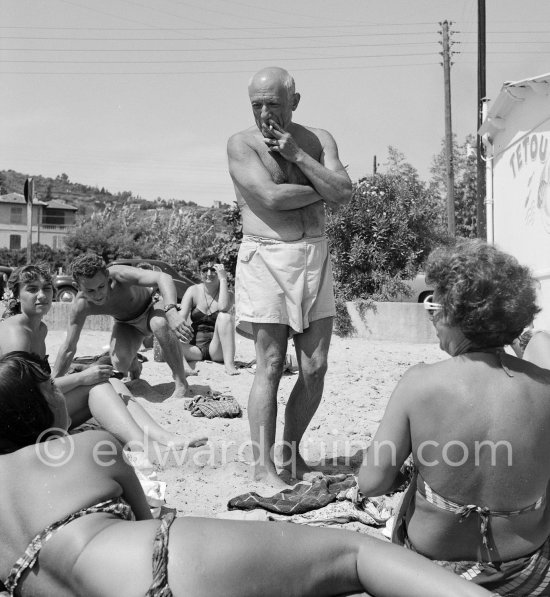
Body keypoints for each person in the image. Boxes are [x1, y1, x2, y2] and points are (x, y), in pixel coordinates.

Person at [0, 354, 494, 597]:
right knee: (357, 554)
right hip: (147, 564)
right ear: (42, 404)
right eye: (52, 388)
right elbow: (145, 518)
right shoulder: (86, 445)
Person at [358, 239, 550, 595]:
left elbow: (371, 483)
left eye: (437, 304)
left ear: (459, 314)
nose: (432, 317)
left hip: (432, 574)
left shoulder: (419, 383)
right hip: (526, 572)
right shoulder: (544, 385)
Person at [227, 66, 352, 488]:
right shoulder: (240, 144)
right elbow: (272, 198)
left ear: (294, 102)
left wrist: (299, 156)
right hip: (266, 258)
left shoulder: (318, 140)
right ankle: (263, 468)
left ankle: (292, 455)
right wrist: (330, 187)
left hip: (315, 254)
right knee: (271, 365)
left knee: (315, 366)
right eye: (257, 105)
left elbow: (346, 193)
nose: (265, 113)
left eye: (274, 104)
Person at [0, 264, 205, 452]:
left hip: (35, 413)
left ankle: (163, 437)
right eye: (32, 289)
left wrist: (75, 377)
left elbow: (44, 384)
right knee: (96, 384)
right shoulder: (16, 333)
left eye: (46, 288)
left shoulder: (40, 328)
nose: (42, 295)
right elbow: (25, 395)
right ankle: (143, 445)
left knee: (112, 382)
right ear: (16, 295)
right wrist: (81, 378)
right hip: (19, 429)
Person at [52, 253, 194, 400]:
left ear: (107, 276)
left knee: (159, 324)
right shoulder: (80, 306)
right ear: (77, 287)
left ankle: (181, 382)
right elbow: (69, 347)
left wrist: (171, 310)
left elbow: (163, 277)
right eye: (90, 291)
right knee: (120, 364)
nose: (98, 294)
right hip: (127, 323)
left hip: (151, 306)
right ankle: (135, 366)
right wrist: (52, 383)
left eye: (101, 286)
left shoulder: (119, 274)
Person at [179, 254, 238, 375]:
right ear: (199, 272)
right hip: (195, 349)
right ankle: (185, 368)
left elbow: (222, 307)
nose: (209, 274)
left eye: (214, 270)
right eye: (205, 270)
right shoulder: (193, 291)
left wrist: (223, 279)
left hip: (217, 350)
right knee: (169, 340)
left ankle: (229, 365)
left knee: (224, 316)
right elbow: (180, 319)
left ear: (220, 271)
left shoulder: (229, 295)